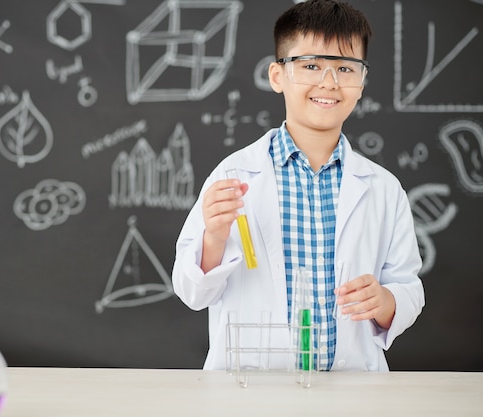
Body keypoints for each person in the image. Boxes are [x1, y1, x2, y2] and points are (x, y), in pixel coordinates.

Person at [172, 0, 424, 372]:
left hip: (352, 389)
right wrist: (212, 239)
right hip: (251, 390)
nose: (329, 82)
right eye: (310, 66)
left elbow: (409, 287)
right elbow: (192, 291)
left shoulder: (383, 189)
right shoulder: (234, 175)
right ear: (278, 76)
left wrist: (386, 301)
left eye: (345, 67)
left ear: (361, 81)